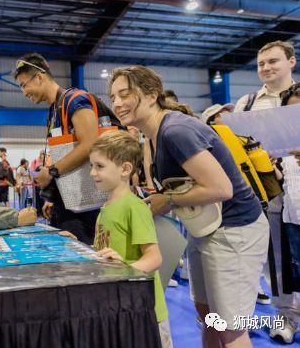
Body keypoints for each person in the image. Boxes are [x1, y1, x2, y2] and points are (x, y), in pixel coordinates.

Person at [109, 65, 269, 348]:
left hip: (235, 230)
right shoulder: (154, 136)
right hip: (206, 229)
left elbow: (221, 189)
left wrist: (167, 200)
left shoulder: (176, 131)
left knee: (231, 328)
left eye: (125, 94)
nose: (118, 103)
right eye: (113, 97)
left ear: (151, 94)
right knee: (207, 315)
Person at [234, 40, 300, 343]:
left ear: (291, 62)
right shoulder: (248, 103)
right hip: (270, 192)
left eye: (273, 61)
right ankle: (287, 317)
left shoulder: (299, 99)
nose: (266, 68)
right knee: (274, 262)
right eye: (261, 63)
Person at [90, 130, 171, 348]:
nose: (92, 172)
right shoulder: (106, 208)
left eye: (99, 166)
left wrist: (125, 270)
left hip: (146, 311)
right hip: (121, 305)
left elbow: (154, 258)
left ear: (125, 169)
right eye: (92, 166)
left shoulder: (135, 208)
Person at [14, 53, 100, 244]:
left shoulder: (75, 100)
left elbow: (90, 144)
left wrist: (51, 172)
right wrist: (54, 197)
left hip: (85, 208)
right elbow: (66, 155)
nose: (23, 92)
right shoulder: (55, 110)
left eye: (23, 84)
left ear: (39, 77)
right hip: (67, 204)